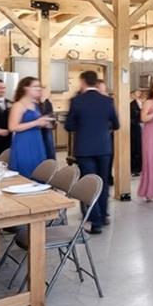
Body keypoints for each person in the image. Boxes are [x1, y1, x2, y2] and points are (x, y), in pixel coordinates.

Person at [65, 71, 120, 233]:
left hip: (84, 149)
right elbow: (116, 125)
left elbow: (69, 126)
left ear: (83, 82)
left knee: (89, 184)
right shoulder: (107, 101)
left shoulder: (76, 101)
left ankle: (95, 221)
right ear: (96, 82)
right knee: (103, 183)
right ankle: (103, 216)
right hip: (104, 148)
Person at [7, 77, 54, 178]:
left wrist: (44, 123)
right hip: (24, 142)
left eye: (39, 86)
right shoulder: (18, 105)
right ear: (25, 88)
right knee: (26, 170)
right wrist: (36, 122)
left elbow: (36, 123)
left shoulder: (35, 105)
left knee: (38, 170)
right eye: (35, 86)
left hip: (37, 141)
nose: (39, 89)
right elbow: (12, 127)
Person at [38, 92, 56, 160]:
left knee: (49, 148)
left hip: (46, 129)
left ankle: (51, 162)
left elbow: (51, 117)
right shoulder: (33, 103)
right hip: (37, 129)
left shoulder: (47, 102)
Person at [130, 90, 143, 177]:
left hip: (141, 127)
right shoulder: (131, 105)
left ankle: (140, 168)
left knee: (140, 148)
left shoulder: (142, 102)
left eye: (139, 93)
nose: (138, 94)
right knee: (135, 148)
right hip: (134, 128)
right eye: (136, 93)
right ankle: (135, 169)